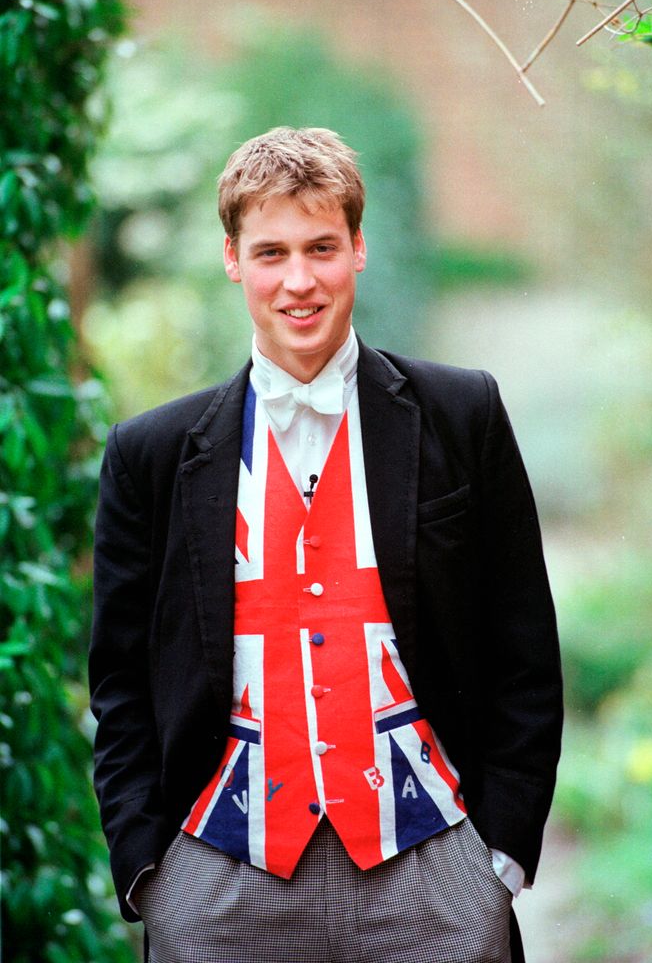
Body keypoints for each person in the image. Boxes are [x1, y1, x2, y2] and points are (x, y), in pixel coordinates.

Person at [90, 126, 562, 963]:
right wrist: (150, 875)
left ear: (359, 249)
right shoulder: (151, 454)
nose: (299, 281)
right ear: (233, 259)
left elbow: (523, 647)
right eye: (271, 253)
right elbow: (120, 680)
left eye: (322, 248)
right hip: (219, 881)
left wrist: (501, 860)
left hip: (433, 871)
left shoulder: (462, 414)